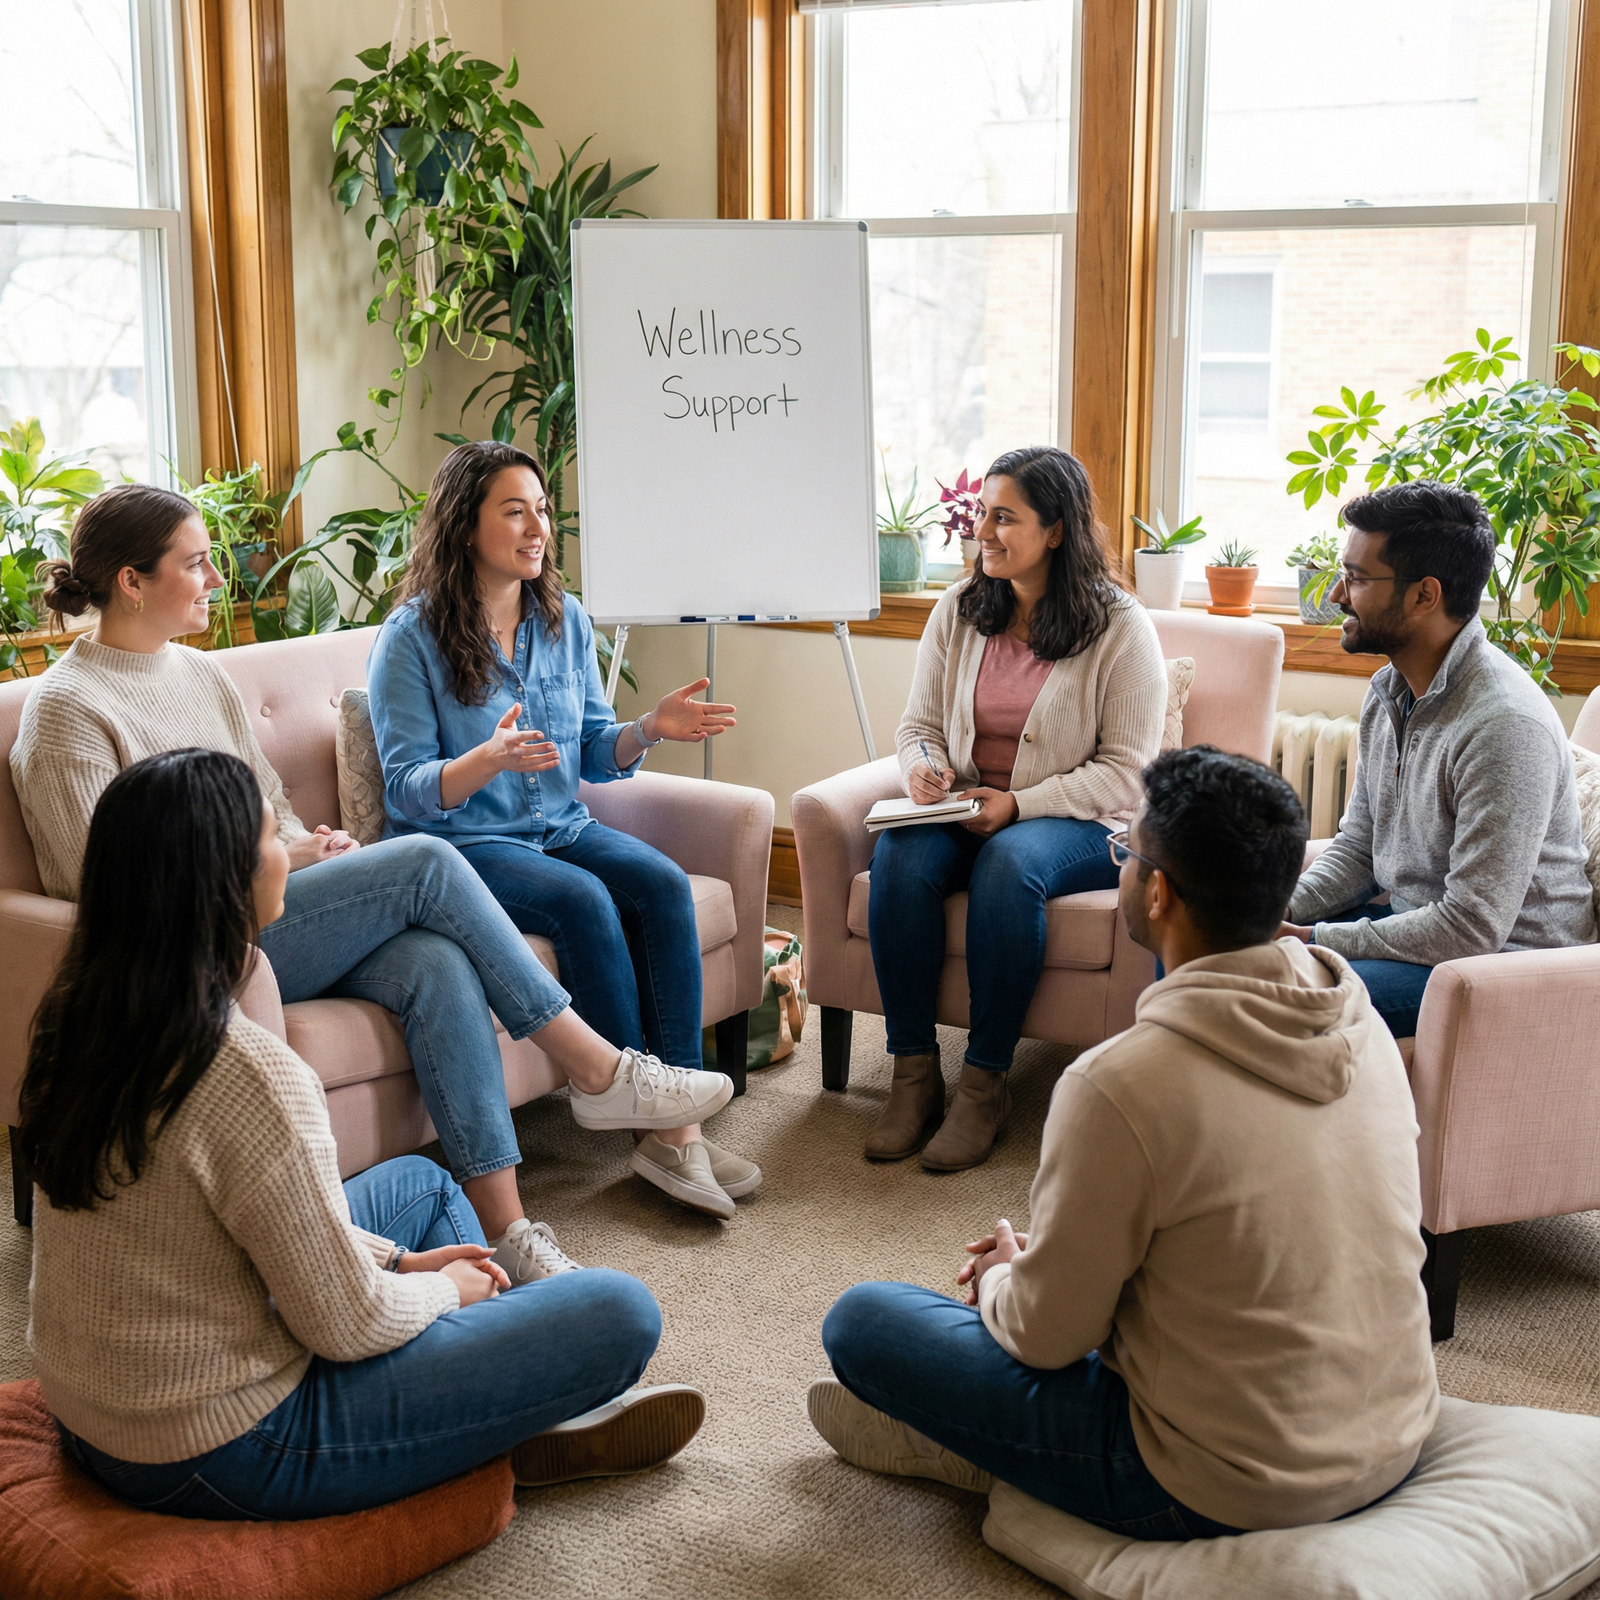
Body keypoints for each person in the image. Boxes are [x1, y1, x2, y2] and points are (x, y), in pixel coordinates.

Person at [9, 484, 735, 1275]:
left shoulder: (198, 675)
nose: (217, 578)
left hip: (267, 911)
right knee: (426, 860)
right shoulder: (67, 711)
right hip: (193, 943)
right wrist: (268, 862)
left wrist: (303, 844)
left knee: (438, 963)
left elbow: (266, 805)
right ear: (131, 581)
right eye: (196, 563)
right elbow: (96, 882)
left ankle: (508, 1233)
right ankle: (598, 1069)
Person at [17, 749, 705, 1519]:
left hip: (101, 1415)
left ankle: (499, 1414)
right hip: (225, 1446)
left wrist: (402, 1260)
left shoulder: (76, 1017)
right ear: (228, 881)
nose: (291, 853)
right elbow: (346, 1325)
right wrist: (441, 1287)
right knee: (619, 1309)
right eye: (275, 838)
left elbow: (232, 1228)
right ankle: (504, 1417)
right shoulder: (247, 1072)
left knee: (422, 1188)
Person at [810, 746, 1439, 1538]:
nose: (1120, 866)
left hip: (1215, 1485)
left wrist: (1013, 1278)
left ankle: (980, 1458)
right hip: (1394, 1436)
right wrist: (1079, 1253)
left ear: (1157, 892)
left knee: (864, 1320)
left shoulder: (1119, 1083)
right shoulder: (1365, 1026)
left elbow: (1045, 1340)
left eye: (1125, 852)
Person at [365, 440, 759, 1221]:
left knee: (657, 884)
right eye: (514, 511)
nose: (536, 526)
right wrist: (483, 760)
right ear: (463, 525)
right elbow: (406, 792)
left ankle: (669, 1127)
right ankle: (663, 1129)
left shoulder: (562, 618)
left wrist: (647, 729)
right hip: (469, 848)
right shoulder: (409, 638)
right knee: (582, 902)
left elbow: (588, 749)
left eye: (541, 510)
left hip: (559, 824)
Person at [864, 445, 1166, 1171]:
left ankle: (984, 1084)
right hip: (964, 808)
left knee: (1008, 867)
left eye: (1006, 518)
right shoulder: (959, 610)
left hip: (1079, 823)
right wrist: (926, 771)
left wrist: (1020, 804)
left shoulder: (1121, 628)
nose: (984, 534)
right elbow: (917, 725)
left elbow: (1128, 773)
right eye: (980, 517)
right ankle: (912, 1075)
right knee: (899, 858)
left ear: (1056, 530)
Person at [1282, 480, 1595, 1037]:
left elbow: (1473, 925)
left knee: (1272, 999)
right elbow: (1358, 845)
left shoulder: (1504, 724)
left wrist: (1313, 938)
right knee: (1210, 955)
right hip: (1419, 933)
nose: (1335, 596)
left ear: (1425, 595)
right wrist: (1273, 912)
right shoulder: (1390, 691)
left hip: (1503, 971)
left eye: (1354, 578)